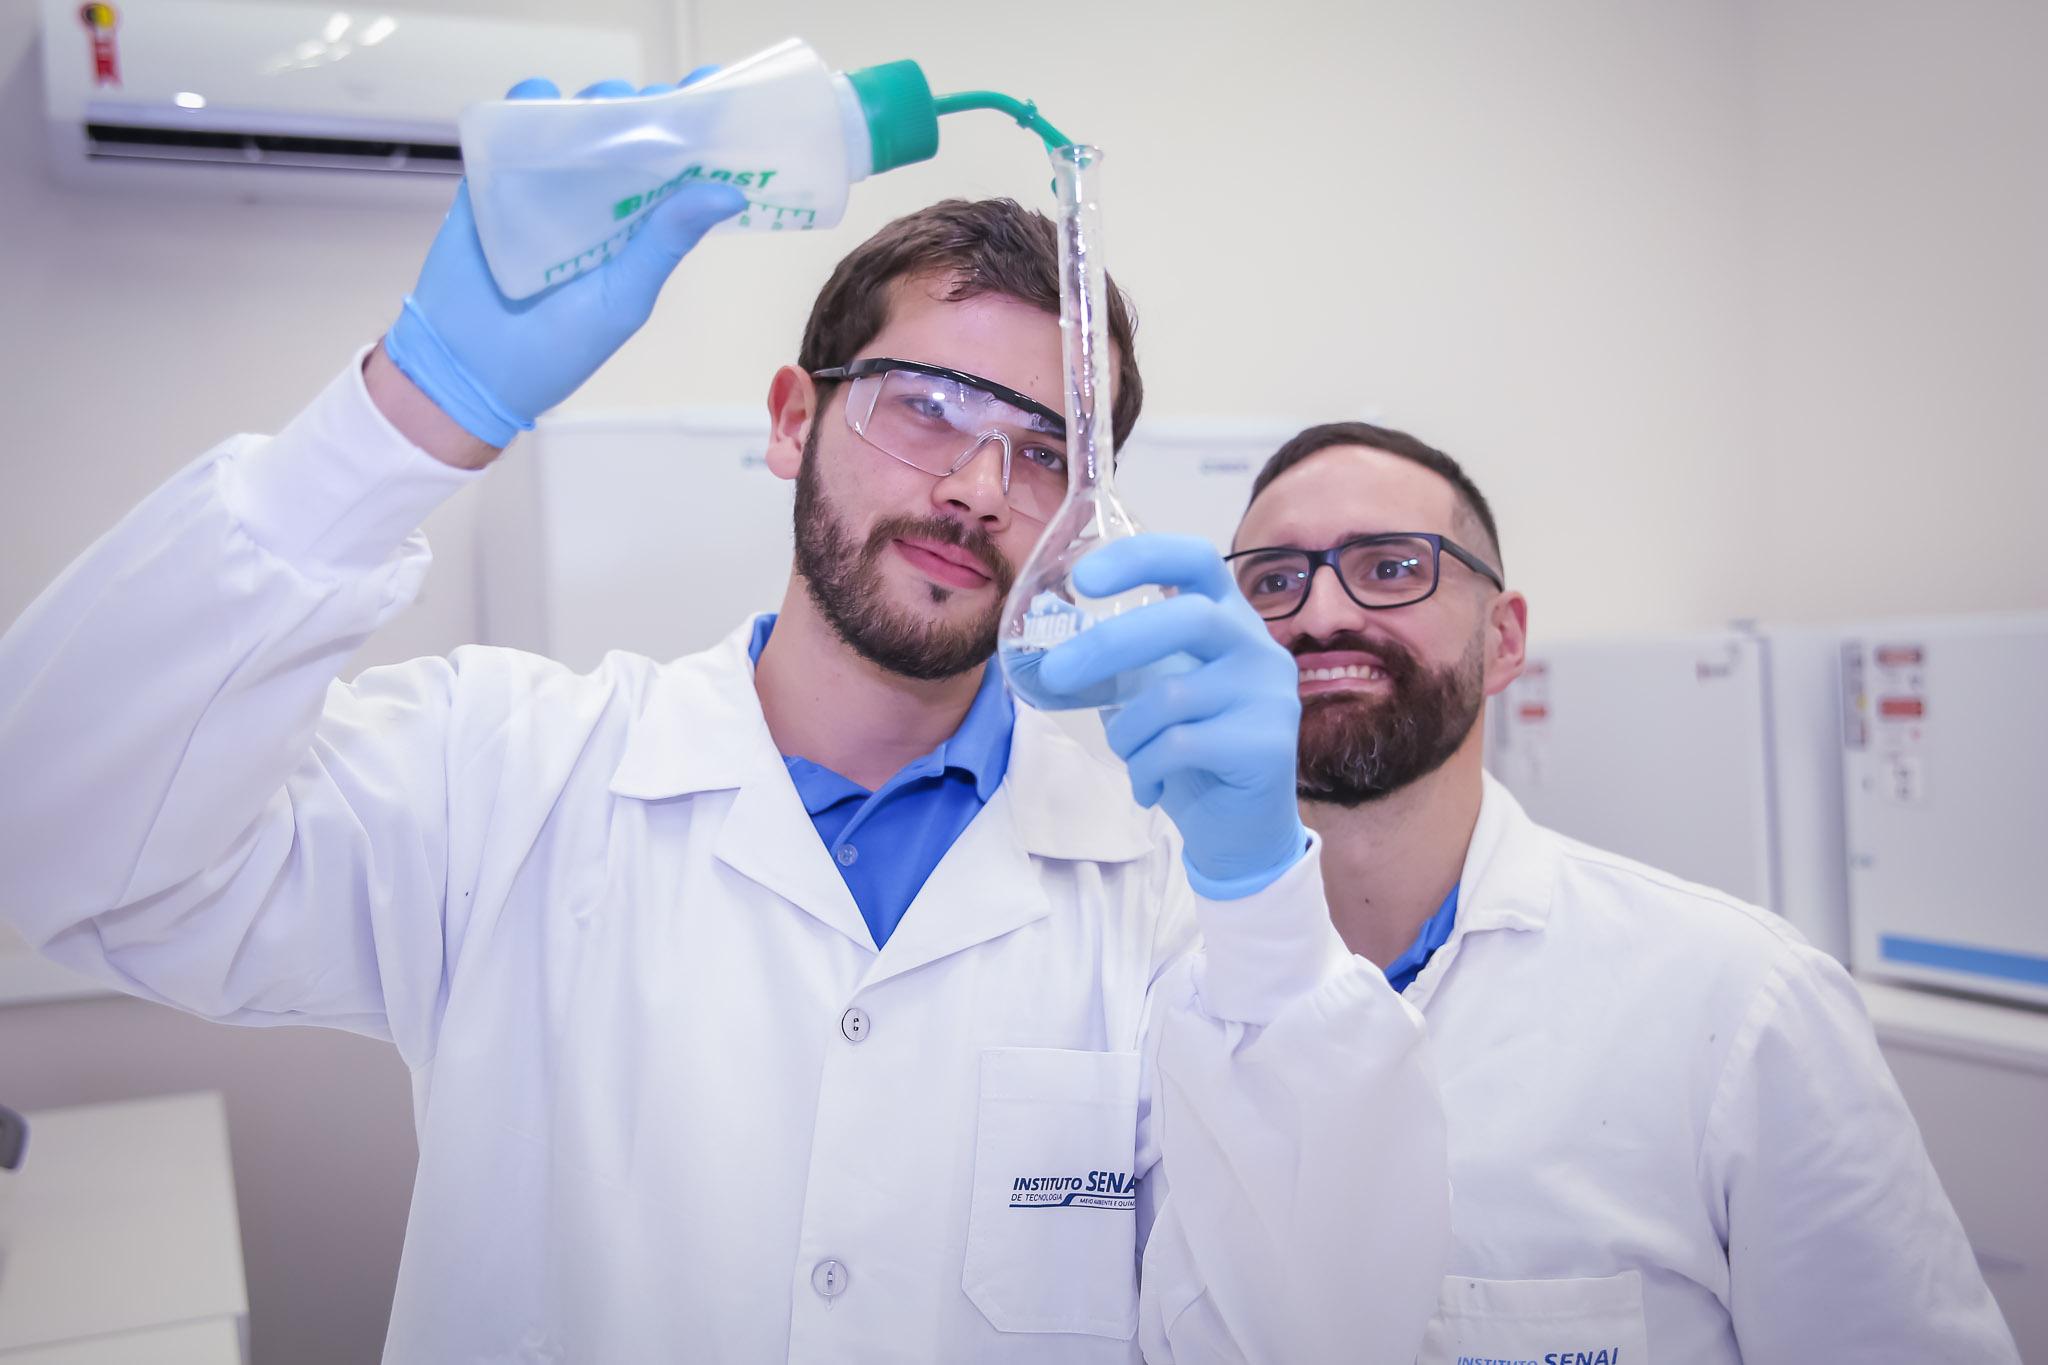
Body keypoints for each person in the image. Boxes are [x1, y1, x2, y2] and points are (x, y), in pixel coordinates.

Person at [0, 81, 1450, 1363]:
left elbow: (1317, 1333)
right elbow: (58, 846)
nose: (977, 488)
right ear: (787, 420)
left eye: (1045, 449)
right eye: (927, 406)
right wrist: (402, 420)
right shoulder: (507, 778)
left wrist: (1263, 894)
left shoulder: (1162, 899)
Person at [1226, 419, 2021, 1363]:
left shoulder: (1741, 1002)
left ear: (1506, 638)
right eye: (1273, 581)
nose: (1319, 614)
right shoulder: (1172, 986)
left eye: (1392, 567)